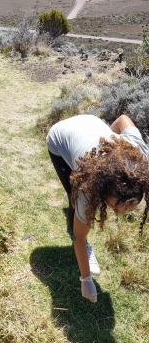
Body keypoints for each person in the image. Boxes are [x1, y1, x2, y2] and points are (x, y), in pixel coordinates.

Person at [47, 114, 149, 303]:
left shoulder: (140, 156)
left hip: (91, 122)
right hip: (60, 137)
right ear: (103, 186)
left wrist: (112, 150)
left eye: (129, 208)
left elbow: (123, 119)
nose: (118, 214)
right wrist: (85, 279)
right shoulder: (89, 186)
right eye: (114, 207)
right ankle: (87, 248)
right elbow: (78, 237)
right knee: (75, 199)